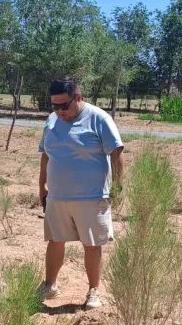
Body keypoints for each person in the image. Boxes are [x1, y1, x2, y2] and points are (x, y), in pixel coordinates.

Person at [37, 78, 124, 309]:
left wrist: (118, 187)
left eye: (64, 105)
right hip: (57, 196)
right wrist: (41, 186)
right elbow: (45, 155)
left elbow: (116, 152)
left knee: (92, 244)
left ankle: (94, 290)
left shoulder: (99, 119)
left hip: (92, 197)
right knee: (55, 240)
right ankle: (49, 285)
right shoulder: (52, 121)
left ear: (79, 98)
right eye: (54, 105)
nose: (59, 111)